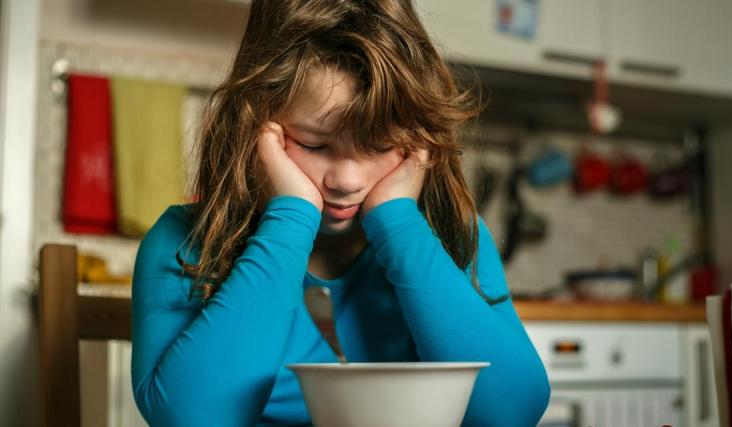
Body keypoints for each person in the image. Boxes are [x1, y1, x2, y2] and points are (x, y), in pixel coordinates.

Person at [130, 1, 550, 425]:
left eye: (382, 145)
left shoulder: (456, 235)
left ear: (419, 139)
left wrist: (398, 222)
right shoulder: (184, 242)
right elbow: (191, 419)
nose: (347, 180)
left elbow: (512, 413)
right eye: (314, 145)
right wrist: (290, 217)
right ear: (254, 128)